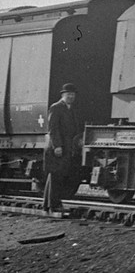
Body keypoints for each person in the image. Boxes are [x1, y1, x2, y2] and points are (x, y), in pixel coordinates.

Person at [42, 83, 83, 213]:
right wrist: (57, 146)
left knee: (56, 175)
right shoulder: (56, 108)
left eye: (73, 94)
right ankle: (54, 204)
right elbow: (53, 129)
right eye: (68, 94)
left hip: (68, 147)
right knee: (56, 176)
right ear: (63, 95)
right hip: (58, 147)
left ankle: (49, 204)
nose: (71, 96)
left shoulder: (72, 109)